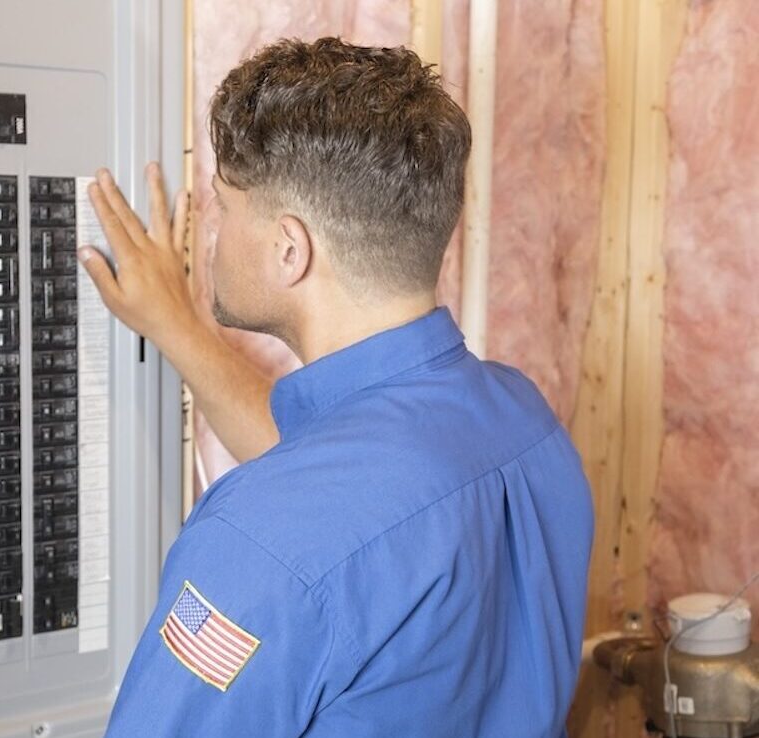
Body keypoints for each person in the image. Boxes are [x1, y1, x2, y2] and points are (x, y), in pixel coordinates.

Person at [78, 37, 594, 738]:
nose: (211, 237)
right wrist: (178, 327)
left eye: (225, 210)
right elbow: (356, 500)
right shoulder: (523, 420)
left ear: (290, 250)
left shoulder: (258, 540)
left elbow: (318, 531)